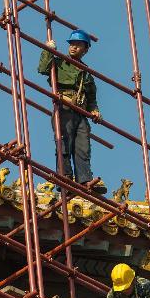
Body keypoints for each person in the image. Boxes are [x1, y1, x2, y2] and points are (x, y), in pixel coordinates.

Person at [38, 29, 106, 193]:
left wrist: (95, 111)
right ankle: (65, 179)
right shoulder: (60, 62)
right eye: (72, 44)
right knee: (64, 144)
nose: (74, 47)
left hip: (81, 112)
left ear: (86, 49)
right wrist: (48, 50)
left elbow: (91, 98)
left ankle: (84, 180)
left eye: (78, 45)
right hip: (64, 108)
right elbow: (42, 69)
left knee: (82, 147)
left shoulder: (86, 73)